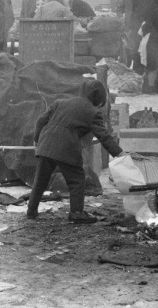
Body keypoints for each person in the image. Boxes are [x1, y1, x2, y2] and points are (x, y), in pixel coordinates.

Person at [27, 79, 124, 222]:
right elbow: (104, 136)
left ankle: (31, 211)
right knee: (77, 179)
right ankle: (76, 213)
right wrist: (119, 153)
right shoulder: (93, 112)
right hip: (66, 147)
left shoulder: (60, 102)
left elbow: (41, 121)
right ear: (98, 99)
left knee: (40, 180)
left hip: (45, 145)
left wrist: (37, 139)